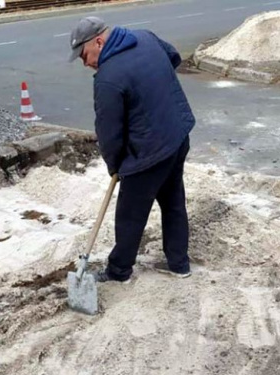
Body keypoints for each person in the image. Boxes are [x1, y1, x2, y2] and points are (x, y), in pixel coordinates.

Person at [68, 16, 196, 283]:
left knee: (129, 214)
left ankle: (119, 272)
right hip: (178, 134)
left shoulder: (108, 78)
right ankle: (179, 264)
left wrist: (115, 165)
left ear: (99, 42)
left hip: (149, 152)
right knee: (173, 202)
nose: (85, 63)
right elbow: (173, 57)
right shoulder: (146, 37)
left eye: (84, 55)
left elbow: (109, 132)